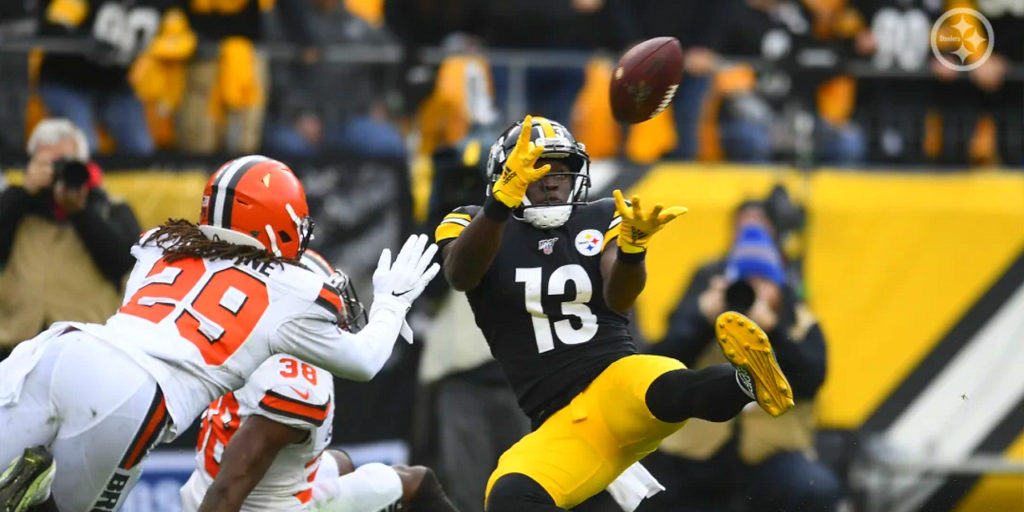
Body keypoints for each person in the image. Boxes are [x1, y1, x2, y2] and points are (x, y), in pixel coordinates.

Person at [0, 155, 438, 511]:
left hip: (65, 347)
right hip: (131, 394)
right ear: (277, 225)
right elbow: (364, 362)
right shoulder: (292, 290)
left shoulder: (162, 245)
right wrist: (392, 303)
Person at [434, 115, 795, 512]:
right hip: (559, 422)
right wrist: (499, 204)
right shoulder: (473, 221)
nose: (552, 179)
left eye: (563, 169)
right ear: (505, 175)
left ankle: (748, 383)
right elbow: (460, 274)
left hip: (614, 379)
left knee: (667, 387)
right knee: (508, 493)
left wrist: (631, 252)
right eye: (538, 168)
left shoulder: (599, 215)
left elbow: (619, 296)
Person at [180, 249, 458, 512]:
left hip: (210, 487)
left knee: (341, 463)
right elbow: (228, 490)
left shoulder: (252, 337)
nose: (338, 311)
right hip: (253, 505)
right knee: (418, 481)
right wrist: (390, 309)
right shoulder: (295, 386)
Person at [644, 201, 838, 512]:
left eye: (763, 283)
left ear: (779, 286)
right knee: (641, 491)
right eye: (745, 283)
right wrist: (701, 321)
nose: (754, 292)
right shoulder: (706, 311)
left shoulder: (800, 323)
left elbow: (812, 380)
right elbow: (659, 366)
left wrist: (774, 330)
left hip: (771, 456)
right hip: (696, 456)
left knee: (814, 488)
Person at [0, 118, 140, 358]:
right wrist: (21, 193)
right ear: (31, 164)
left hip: (84, 351)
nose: (56, 173)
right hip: (13, 347)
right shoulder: (16, 206)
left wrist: (81, 211)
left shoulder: (109, 208)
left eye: (65, 164)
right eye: (47, 164)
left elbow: (123, 263)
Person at [34, 0, 162, 154]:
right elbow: (51, 29)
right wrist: (88, 41)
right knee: (85, 147)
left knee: (141, 147)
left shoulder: (153, 5)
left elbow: (182, 25)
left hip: (114, 83)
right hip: (66, 81)